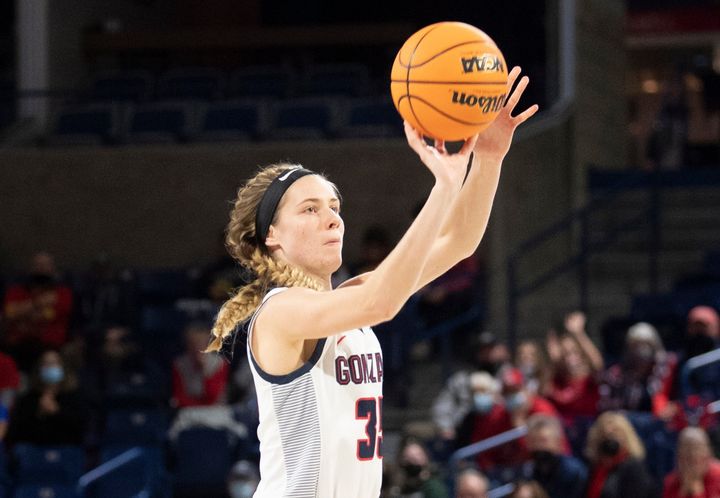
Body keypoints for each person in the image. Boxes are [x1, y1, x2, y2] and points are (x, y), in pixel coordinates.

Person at [202, 67, 538, 497]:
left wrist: (488, 158)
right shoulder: (281, 313)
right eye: (309, 209)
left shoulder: (349, 298)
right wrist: (444, 186)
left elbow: (460, 242)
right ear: (272, 235)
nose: (332, 218)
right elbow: (384, 302)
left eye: (335, 206)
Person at [2, 251, 74, 371]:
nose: (41, 269)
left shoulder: (63, 293)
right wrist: (38, 303)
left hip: (49, 344)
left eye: (45, 265)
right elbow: (10, 313)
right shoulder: (15, 291)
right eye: (38, 265)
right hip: (18, 343)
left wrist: (24, 311)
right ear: (31, 268)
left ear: (52, 269)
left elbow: (48, 316)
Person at [433, 332, 511, 442]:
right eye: (483, 350)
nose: (488, 353)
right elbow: (443, 405)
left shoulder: (509, 375)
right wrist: (445, 427)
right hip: (467, 432)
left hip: (499, 432)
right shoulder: (462, 379)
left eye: (491, 349)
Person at [6, 350, 87, 446]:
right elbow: (17, 432)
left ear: (63, 368)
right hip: (34, 451)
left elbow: (81, 428)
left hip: (67, 450)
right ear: (39, 369)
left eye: (54, 363)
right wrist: (39, 413)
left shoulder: (74, 397)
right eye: (46, 363)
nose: (50, 367)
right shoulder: (28, 398)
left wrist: (57, 412)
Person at [598, 322, 678, 419]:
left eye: (647, 344)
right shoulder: (617, 374)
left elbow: (675, 400)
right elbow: (606, 403)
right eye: (636, 344)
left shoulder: (667, 368)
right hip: (628, 422)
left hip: (659, 422)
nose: (641, 349)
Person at [544, 311, 603, 424]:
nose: (570, 358)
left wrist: (579, 334)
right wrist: (553, 361)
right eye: (565, 353)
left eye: (574, 352)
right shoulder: (556, 381)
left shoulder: (590, 381)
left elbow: (597, 364)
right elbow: (544, 390)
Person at [584, 411, 657, 498]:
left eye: (615, 433)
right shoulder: (596, 468)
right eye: (604, 435)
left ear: (626, 437)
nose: (610, 441)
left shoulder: (633, 467)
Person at [523, 414, 587, 498]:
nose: (539, 446)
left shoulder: (575, 472)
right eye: (534, 441)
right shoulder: (528, 473)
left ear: (557, 442)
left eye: (543, 441)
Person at [172, 322, 229, 408]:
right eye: (193, 343)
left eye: (200, 343)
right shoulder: (179, 364)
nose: (197, 347)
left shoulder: (219, 363)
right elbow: (178, 397)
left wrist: (204, 371)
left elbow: (213, 396)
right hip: (188, 409)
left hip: (215, 409)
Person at [663, 427, 720, 498]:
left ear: (708, 452)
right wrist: (682, 493)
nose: (693, 454)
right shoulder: (671, 481)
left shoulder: (718, 476)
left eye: (697, 448)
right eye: (687, 449)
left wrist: (698, 493)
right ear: (679, 455)